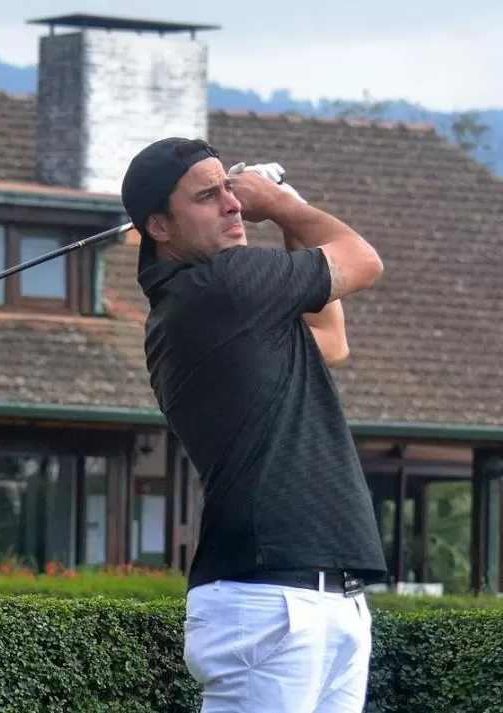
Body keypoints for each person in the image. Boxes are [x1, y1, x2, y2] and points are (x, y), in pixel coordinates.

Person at [121, 136, 388, 712]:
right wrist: (283, 205)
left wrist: (283, 210)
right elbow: (363, 261)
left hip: (322, 596)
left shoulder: (219, 300)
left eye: (231, 188)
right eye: (208, 195)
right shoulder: (222, 284)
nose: (234, 204)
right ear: (160, 227)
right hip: (269, 598)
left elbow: (331, 340)